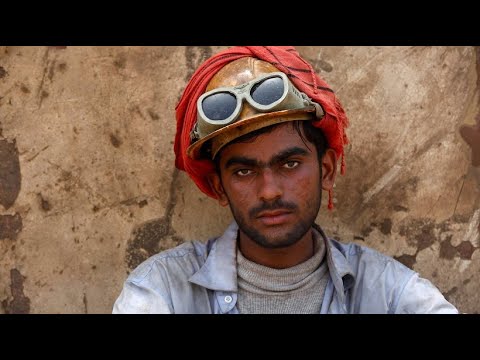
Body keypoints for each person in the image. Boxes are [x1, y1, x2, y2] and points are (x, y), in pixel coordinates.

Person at [112, 46, 458, 314]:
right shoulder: (161, 291)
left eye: (290, 164)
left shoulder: (391, 294)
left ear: (325, 170)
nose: (269, 191)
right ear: (219, 187)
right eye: (244, 171)